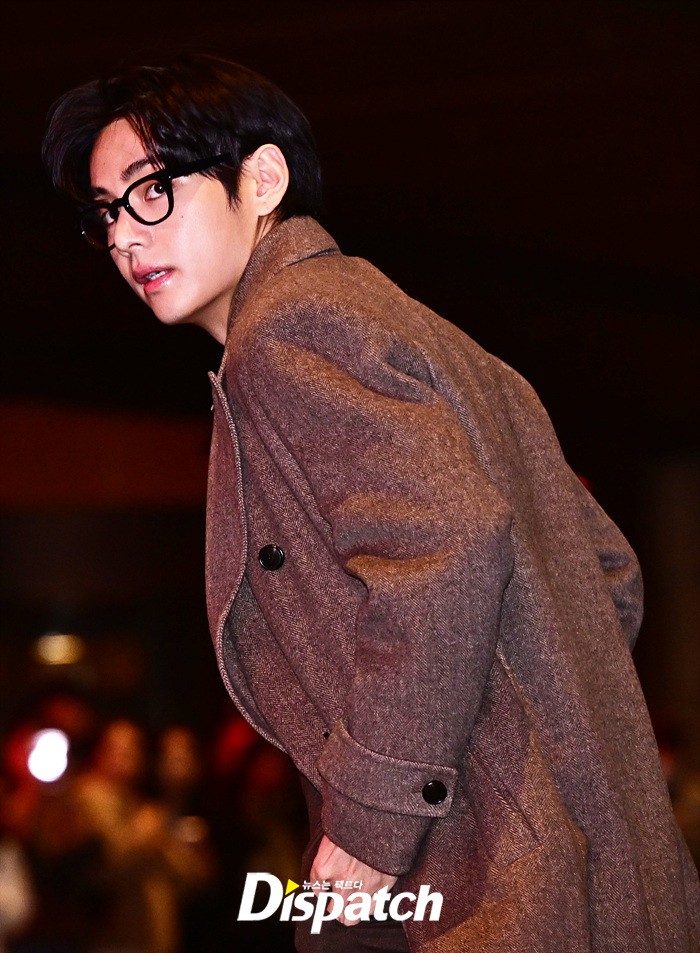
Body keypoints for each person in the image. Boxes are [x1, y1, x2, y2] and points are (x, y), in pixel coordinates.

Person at [42, 54, 700, 953]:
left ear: (262, 179)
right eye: (106, 212)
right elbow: (607, 572)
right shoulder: (426, 331)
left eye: (153, 190)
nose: (124, 235)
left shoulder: (289, 327)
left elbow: (447, 551)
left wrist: (376, 816)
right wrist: (542, 744)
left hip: (487, 892)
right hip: (583, 871)